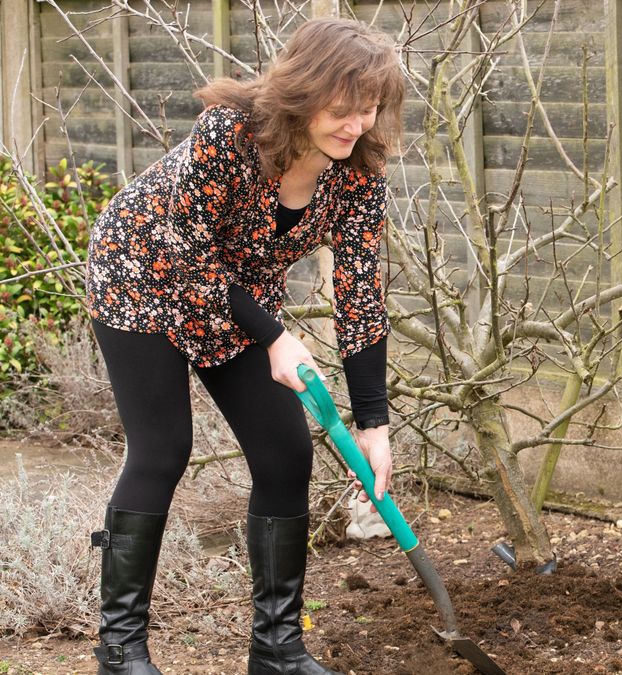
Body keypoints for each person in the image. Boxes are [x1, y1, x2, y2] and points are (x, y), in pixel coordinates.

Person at [83, 17, 403, 675]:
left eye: (369, 108)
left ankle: (278, 650)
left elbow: (362, 294)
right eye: (343, 108)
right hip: (142, 271)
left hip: (236, 299)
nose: (357, 124)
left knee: (285, 452)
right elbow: (190, 249)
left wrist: (374, 423)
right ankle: (119, 650)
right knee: (163, 447)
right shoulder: (229, 135)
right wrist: (278, 338)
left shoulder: (358, 175)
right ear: (305, 93)